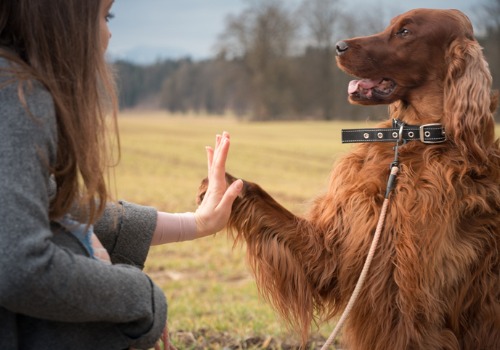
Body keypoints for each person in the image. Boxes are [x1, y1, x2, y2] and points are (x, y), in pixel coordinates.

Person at [0, 0, 243, 349]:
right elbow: (21, 268)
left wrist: (195, 223)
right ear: (62, 17)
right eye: (104, 15)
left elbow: (51, 208)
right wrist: (141, 297)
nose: (109, 33)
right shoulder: (17, 99)